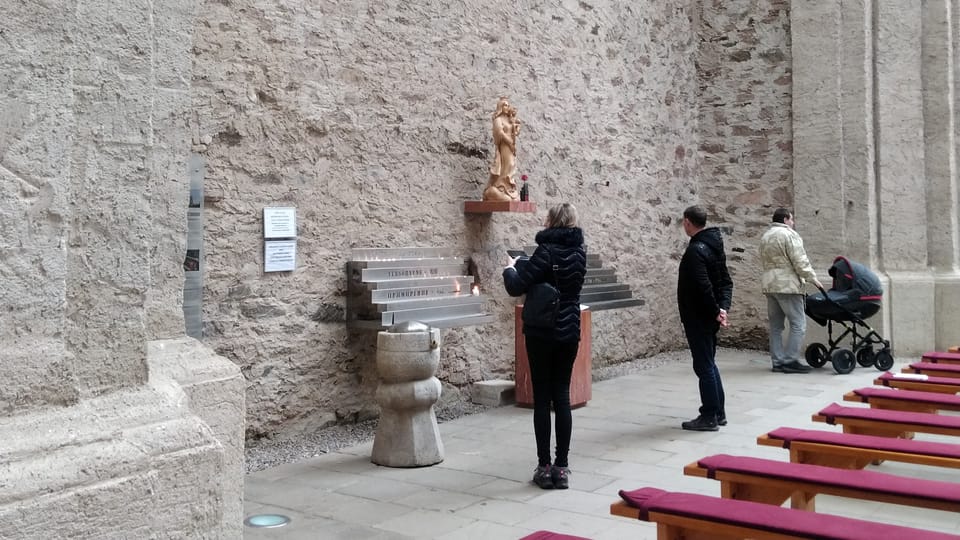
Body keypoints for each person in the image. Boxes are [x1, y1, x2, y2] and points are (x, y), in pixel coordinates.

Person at [503, 203, 586, 489]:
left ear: (552, 222)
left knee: (541, 397)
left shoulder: (546, 251)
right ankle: (562, 468)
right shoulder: (579, 252)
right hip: (569, 331)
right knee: (561, 396)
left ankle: (544, 465)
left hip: (542, 332)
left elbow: (517, 286)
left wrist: (509, 269)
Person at [677, 205, 733, 432]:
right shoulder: (713, 246)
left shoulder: (696, 251)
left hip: (699, 316)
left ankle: (709, 415)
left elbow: (704, 287)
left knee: (704, 365)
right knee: (708, 363)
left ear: (688, 222)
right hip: (709, 315)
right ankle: (718, 412)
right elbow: (725, 282)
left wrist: (716, 311)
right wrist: (722, 310)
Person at [759, 208, 823, 373]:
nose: (793, 223)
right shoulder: (789, 235)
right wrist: (813, 278)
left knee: (776, 326)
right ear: (786, 219)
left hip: (770, 284)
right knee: (798, 324)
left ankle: (778, 361)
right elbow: (800, 260)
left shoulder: (766, 236)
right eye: (792, 219)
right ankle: (790, 360)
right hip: (788, 286)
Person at [483, 97, 522, 202]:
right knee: (507, 164)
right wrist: (509, 142)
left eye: (508, 105)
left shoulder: (509, 119)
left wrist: (517, 128)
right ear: (500, 107)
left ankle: (508, 188)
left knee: (512, 165)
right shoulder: (498, 119)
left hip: (511, 146)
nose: (507, 107)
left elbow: (515, 133)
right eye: (504, 105)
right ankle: (500, 186)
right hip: (504, 146)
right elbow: (499, 133)